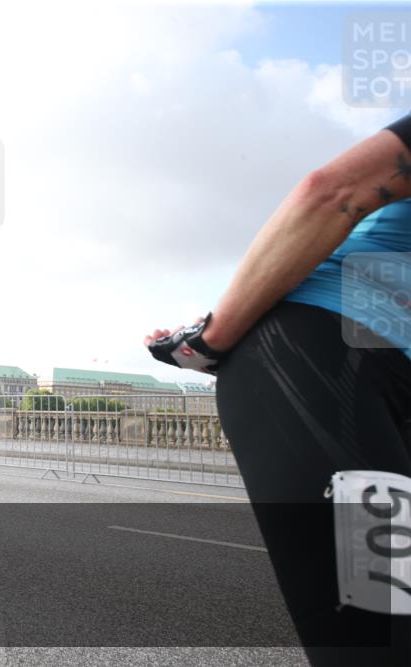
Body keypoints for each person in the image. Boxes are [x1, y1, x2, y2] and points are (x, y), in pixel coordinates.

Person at [145, 114, 411, 665]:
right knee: (382, 633)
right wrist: (208, 341)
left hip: (369, 369)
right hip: (320, 357)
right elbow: (331, 190)